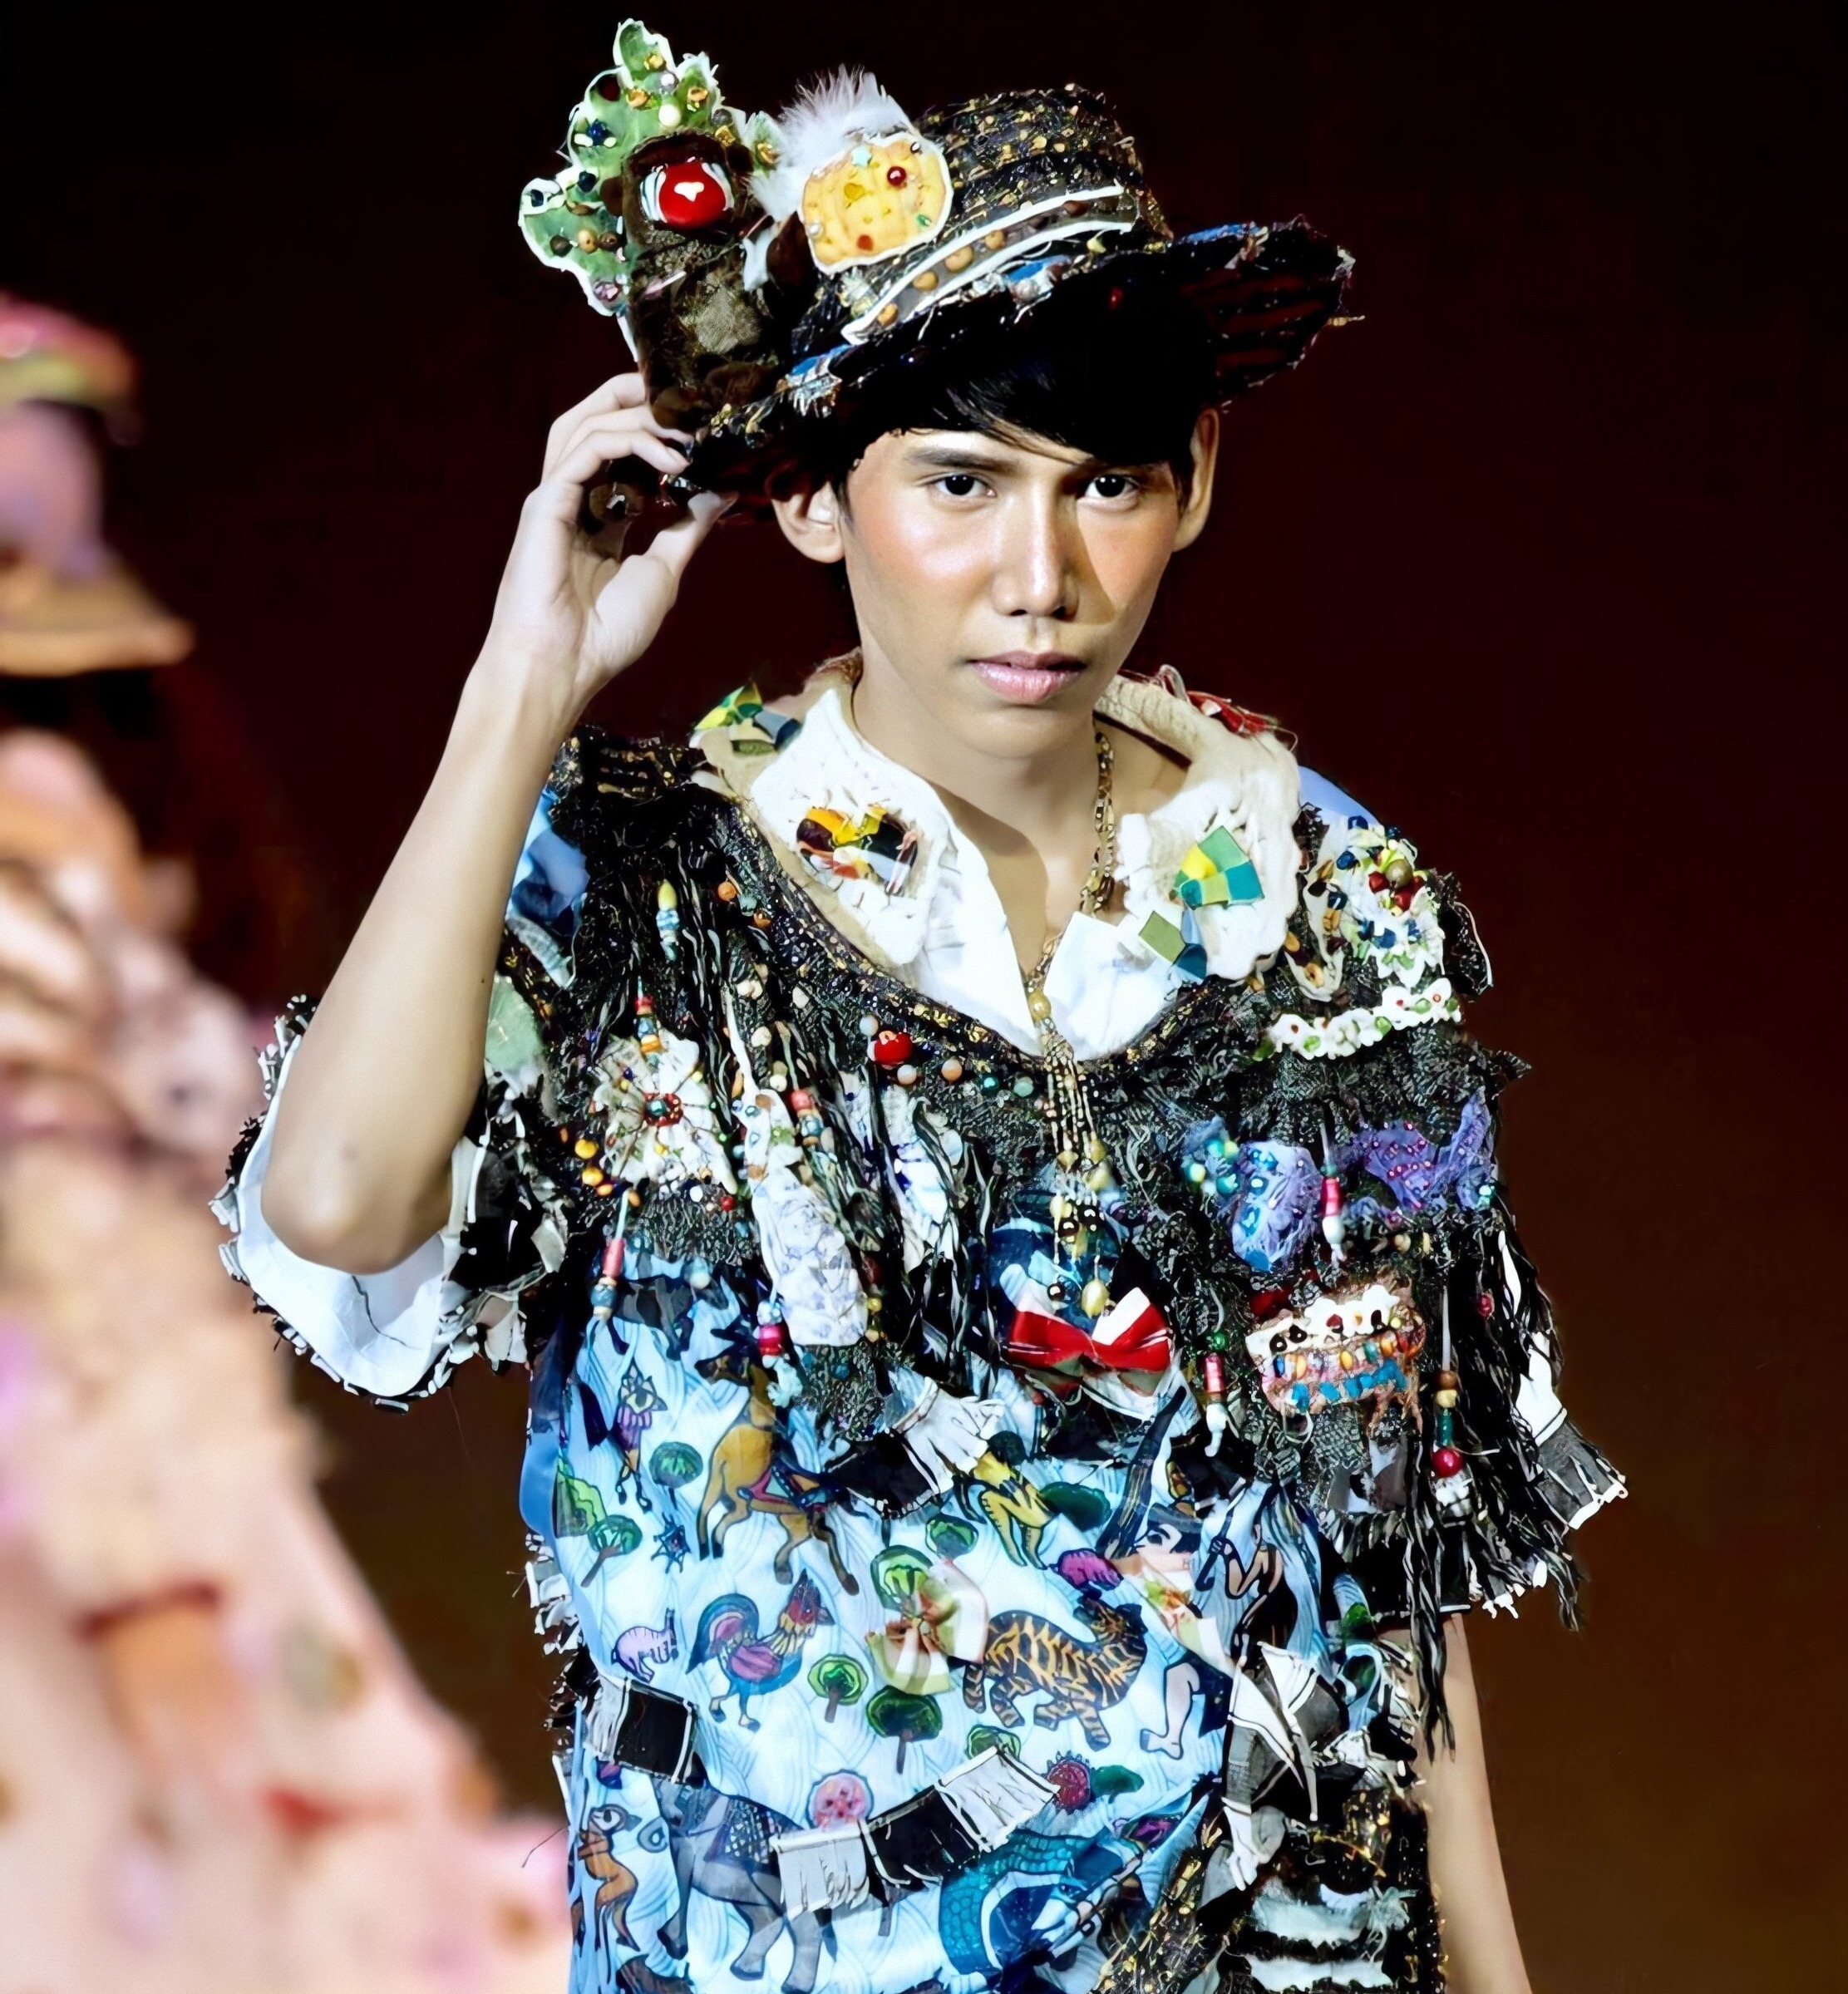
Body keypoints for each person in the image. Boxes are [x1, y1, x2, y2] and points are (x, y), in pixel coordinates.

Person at [233, 27, 1622, 1994]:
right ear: (814, 499)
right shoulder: (642, 889)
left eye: (1108, 484)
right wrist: (526, 682)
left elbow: (1387, 1537)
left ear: (1197, 483)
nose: (1039, 576)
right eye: (958, 483)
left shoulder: (1327, 894)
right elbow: (339, 1207)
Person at [0, 305, 569, 1994]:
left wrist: (149, 1567)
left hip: (82, 1494)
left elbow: (70, 1210)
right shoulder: (44, 808)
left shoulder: (30, 815)